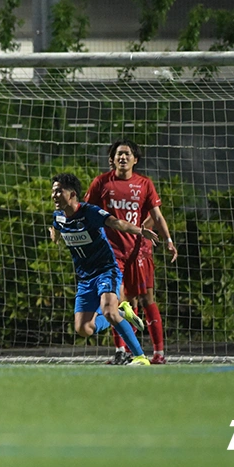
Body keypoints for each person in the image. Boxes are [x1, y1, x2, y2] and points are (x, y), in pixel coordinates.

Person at [85, 139, 177, 365]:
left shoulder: (144, 184)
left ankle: (158, 353)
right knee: (116, 299)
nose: (123, 157)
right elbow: (86, 212)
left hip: (139, 251)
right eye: (119, 154)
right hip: (110, 252)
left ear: (135, 159)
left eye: (127, 154)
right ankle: (121, 351)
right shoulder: (101, 183)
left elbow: (156, 216)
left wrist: (168, 240)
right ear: (112, 159)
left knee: (145, 299)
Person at [51, 173, 157, 366]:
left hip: (106, 271)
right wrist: (55, 236)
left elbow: (117, 223)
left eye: (59, 191)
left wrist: (140, 231)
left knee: (109, 312)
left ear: (72, 193)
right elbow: (57, 229)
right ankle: (122, 312)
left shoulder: (90, 212)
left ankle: (140, 357)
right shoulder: (58, 217)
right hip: (85, 279)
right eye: (53, 191)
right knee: (84, 329)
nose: (54, 195)